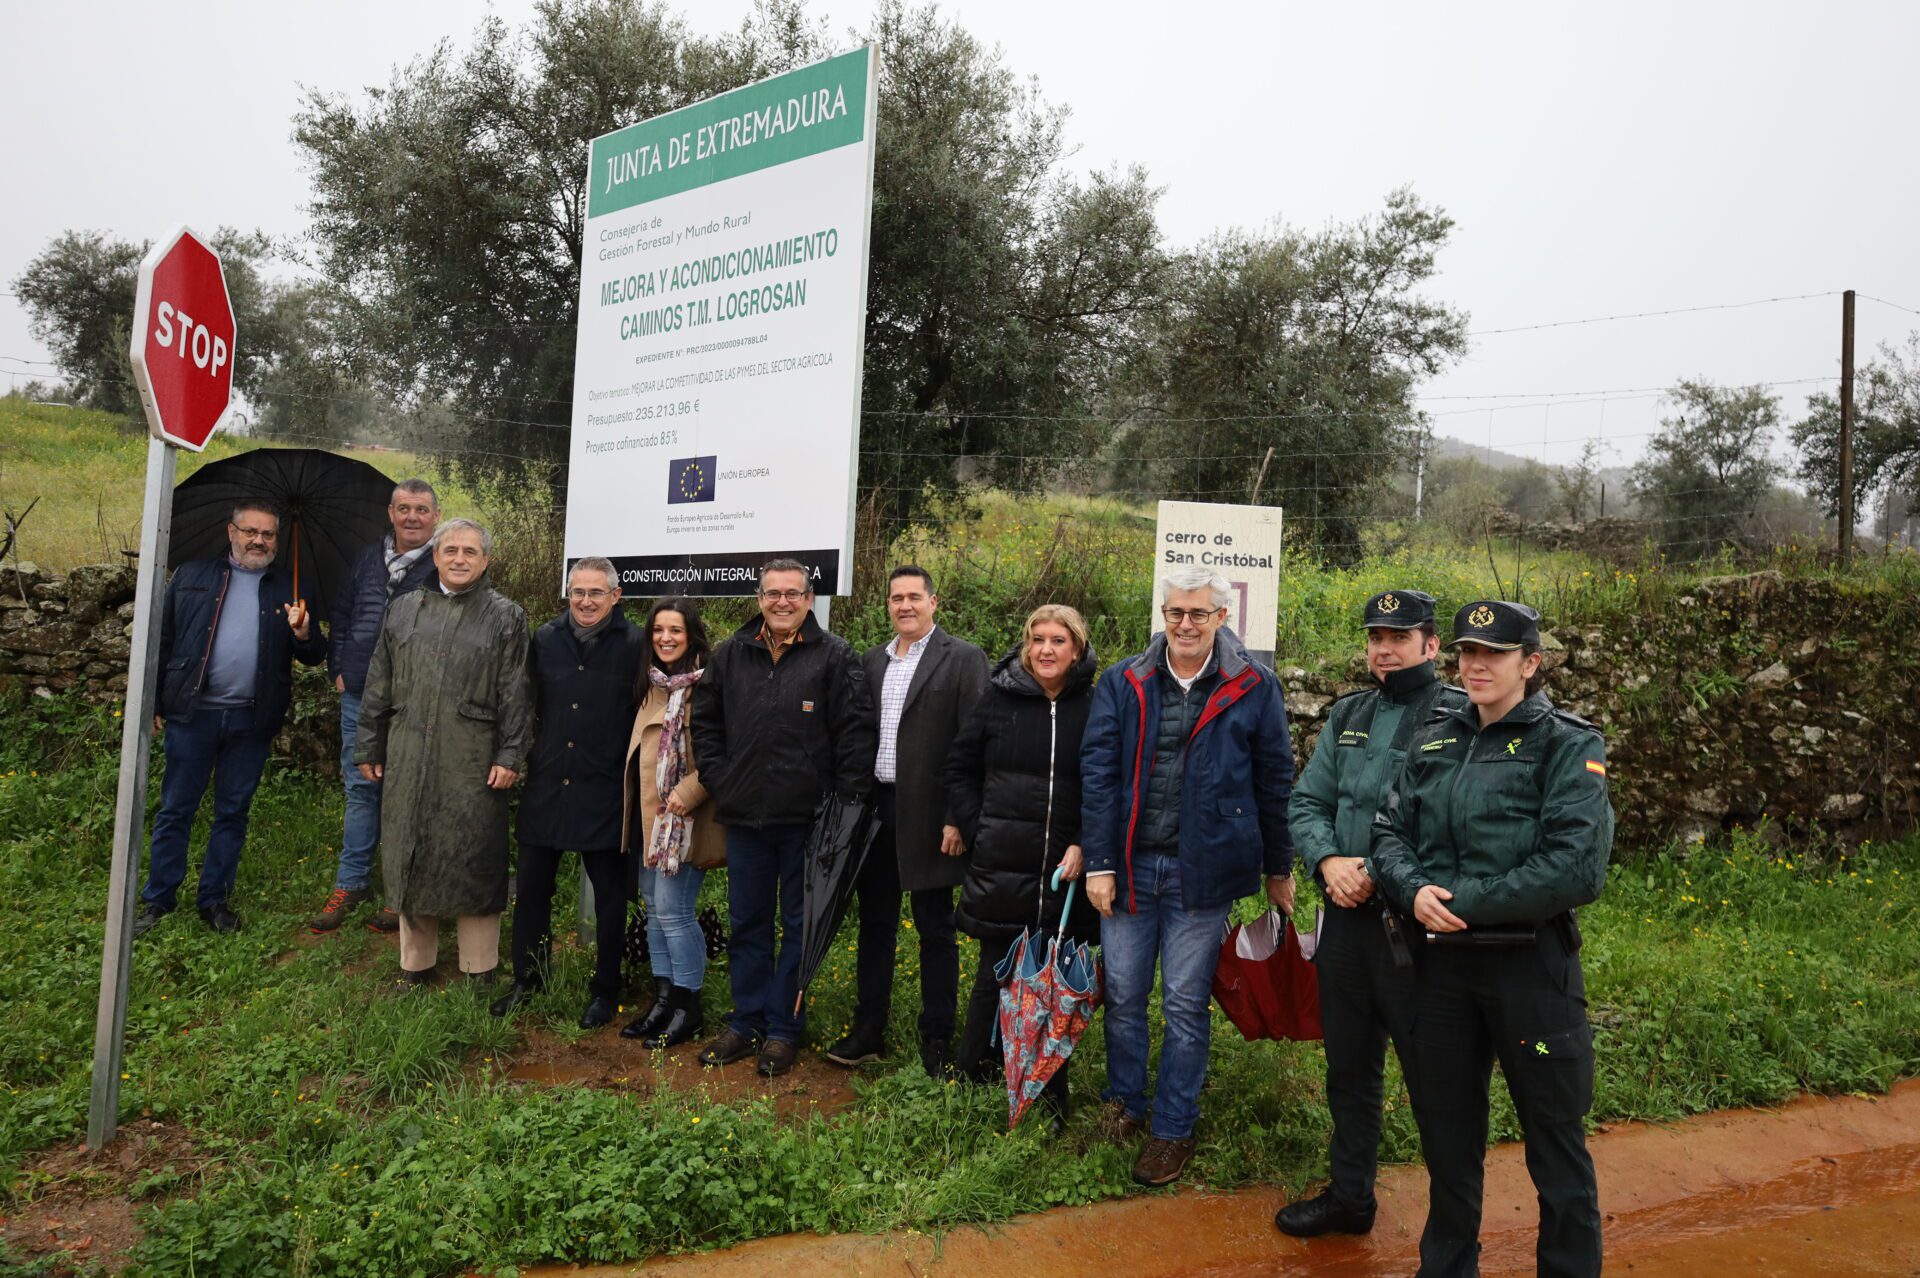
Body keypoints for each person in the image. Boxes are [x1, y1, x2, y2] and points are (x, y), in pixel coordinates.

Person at [1370, 599, 1613, 1278]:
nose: (1475, 666)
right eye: (1468, 653)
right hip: (1443, 981)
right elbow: (1388, 831)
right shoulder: (1436, 734)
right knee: (1447, 1141)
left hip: (1530, 984)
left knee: (1553, 1139)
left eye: (1494, 654)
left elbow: (1575, 867)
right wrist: (1412, 889)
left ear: (1530, 664)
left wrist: (1460, 903)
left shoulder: (1569, 744)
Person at [1081, 565, 1296, 1187]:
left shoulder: (1254, 685)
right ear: (1164, 615)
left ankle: (1171, 1128)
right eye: (1176, 612)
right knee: (1122, 996)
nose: (1185, 624)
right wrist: (1099, 862)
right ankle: (1125, 1104)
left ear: (1222, 619)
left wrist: (1278, 866)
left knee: (1182, 1001)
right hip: (1128, 867)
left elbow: (1274, 779)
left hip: (1203, 874)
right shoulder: (1126, 679)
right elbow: (1097, 775)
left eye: (1199, 614)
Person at [1277, 589, 1466, 1239]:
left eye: (1399, 637)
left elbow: (1458, 824)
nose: (1384, 648)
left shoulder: (1460, 715)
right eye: (1375, 637)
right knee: (1349, 1070)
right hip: (1347, 926)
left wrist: (1384, 873)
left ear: (1432, 646)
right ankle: (1351, 1198)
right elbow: (1308, 803)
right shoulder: (1350, 713)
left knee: (1434, 1080)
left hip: (1418, 932)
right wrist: (1329, 862)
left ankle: (1451, 1228)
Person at [689, 557, 876, 1077]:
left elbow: (856, 739)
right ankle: (745, 1022)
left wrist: (840, 813)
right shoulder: (731, 655)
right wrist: (722, 780)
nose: (782, 602)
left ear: (809, 599)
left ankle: (782, 1029)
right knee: (747, 923)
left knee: (798, 927)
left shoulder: (835, 656)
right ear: (759, 600)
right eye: (773, 593)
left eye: (793, 593)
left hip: (808, 824)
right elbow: (704, 723)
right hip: (745, 818)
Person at [131, 500, 327, 937]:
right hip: (193, 715)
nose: (259, 540)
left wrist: (303, 632)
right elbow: (162, 641)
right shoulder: (191, 576)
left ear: (279, 540)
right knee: (176, 809)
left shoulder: (293, 587)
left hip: (251, 722)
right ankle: (158, 900)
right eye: (250, 531)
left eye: (269, 534)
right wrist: (155, 704)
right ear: (231, 532)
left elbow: (314, 656)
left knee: (233, 812)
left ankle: (214, 901)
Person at [353, 519, 532, 987]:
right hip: (409, 749)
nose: (458, 559)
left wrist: (511, 754)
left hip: (473, 757)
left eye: (470, 552)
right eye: (450, 549)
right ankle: (416, 965)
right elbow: (379, 681)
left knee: (474, 853)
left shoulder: (506, 616)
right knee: (411, 850)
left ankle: (480, 967)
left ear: (485, 560)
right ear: (435, 557)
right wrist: (368, 741)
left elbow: (517, 692)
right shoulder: (403, 608)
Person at [827, 566, 989, 1075]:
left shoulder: (962, 659)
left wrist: (958, 818)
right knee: (876, 925)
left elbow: (975, 744)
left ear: (933, 601)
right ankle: (868, 1028)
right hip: (878, 810)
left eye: (914, 597)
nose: (904, 606)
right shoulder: (872, 661)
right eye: (896, 598)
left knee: (934, 929)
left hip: (932, 817)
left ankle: (936, 1036)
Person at [945, 604, 1098, 1132]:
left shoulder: (1096, 707)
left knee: (1053, 985)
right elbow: (960, 767)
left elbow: (1110, 786)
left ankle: (1052, 1097)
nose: (1046, 649)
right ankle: (969, 1080)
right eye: (1037, 639)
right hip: (1003, 865)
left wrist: (1085, 843)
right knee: (995, 973)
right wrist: (978, 826)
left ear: (1077, 648)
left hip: (1065, 876)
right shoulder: (998, 698)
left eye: (1058, 640)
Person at [490, 557, 647, 1026]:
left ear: (616, 596)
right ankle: (528, 978)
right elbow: (525, 702)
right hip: (548, 781)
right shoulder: (544, 638)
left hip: (604, 787)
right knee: (533, 889)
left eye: (596, 593)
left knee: (611, 896)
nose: (585, 601)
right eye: (578, 592)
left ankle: (605, 988)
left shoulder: (637, 644)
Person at [311, 478, 440, 935]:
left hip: (413, 697)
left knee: (408, 791)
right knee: (360, 786)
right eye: (404, 508)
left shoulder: (444, 564)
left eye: (421, 510)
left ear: (435, 517)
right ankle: (352, 883)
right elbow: (342, 612)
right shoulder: (369, 558)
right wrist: (339, 665)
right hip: (360, 691)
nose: (412, 517)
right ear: (391, 512)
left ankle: (398, 890)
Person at [617, 597, 726, 1047]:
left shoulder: (708, 684)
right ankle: (664, 999)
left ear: (692, 635)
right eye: (658, 629)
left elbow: (728, 748)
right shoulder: (652, 683)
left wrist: (693, 790)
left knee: (675, 913)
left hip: (685, 821)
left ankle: (688, 1006)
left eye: (675, 630)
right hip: (650, 821)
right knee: (655, 910)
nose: (665, 637)